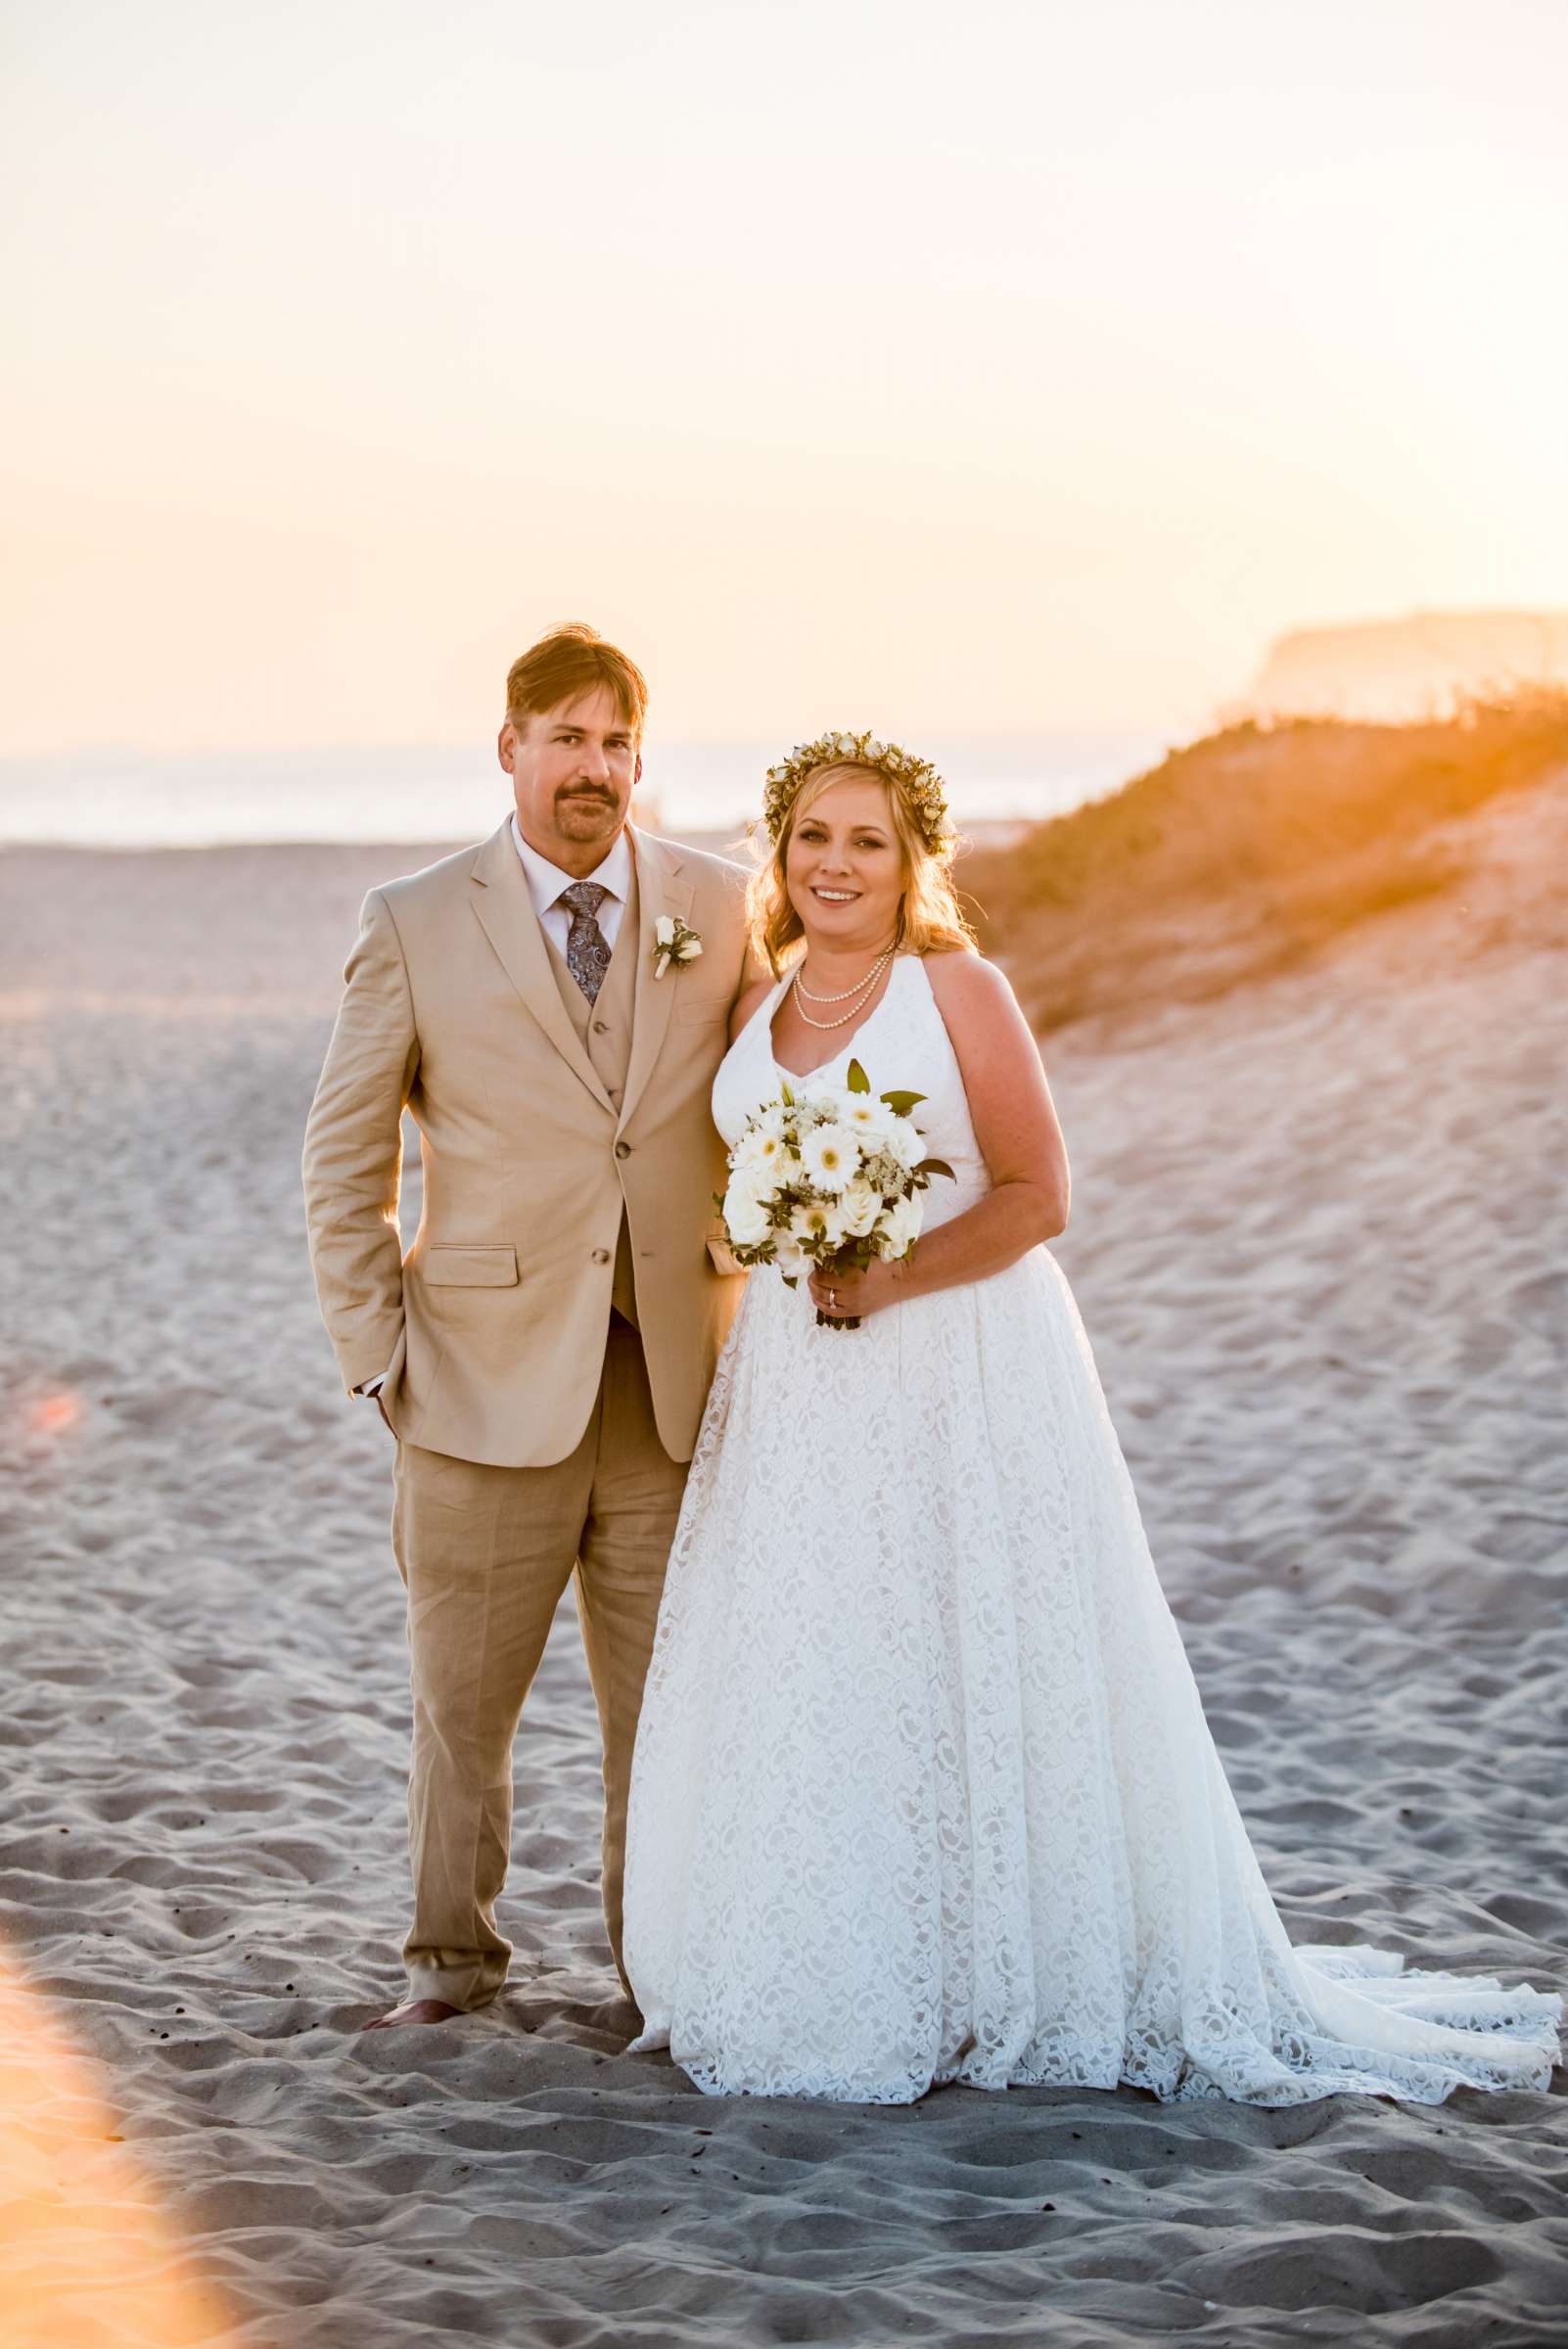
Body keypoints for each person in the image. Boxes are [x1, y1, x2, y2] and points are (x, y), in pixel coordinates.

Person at [620, 730, 1563, 2104]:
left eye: (867, 841)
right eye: (813, 836)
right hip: (800, 1376)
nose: (835, 864)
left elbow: (1034, 1192)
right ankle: (879, 1950)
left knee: (969, 1640)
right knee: (837, 1649)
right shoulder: (755, 1003)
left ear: (910, 862)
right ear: (781, 850)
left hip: (950, 1354)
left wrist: (885, 1275)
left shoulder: (956, 985)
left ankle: (1001, 1962)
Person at [302, 624, 753, 2029]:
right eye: (565, 739)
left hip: (673, 1387)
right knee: (463, 1710)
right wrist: (378, 1356)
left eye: (617, 742)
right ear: (508, 750)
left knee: (666, 1717)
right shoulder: (415, 919)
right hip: (476, 1382)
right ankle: (450, 1966)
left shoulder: (726, 907)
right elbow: (344, 1155)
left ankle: (660, 1972)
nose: (593, 769)